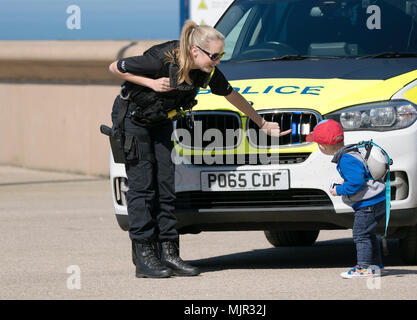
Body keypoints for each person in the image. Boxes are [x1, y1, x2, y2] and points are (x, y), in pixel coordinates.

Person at [108, 20, 291, 278]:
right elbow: (115, 66)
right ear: (195, 51)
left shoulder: (207, 71)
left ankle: (169, 254)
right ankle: (144, 257)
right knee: (143, 187)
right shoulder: (160, 60)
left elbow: (232, 94)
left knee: (165, 185)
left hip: (160, 120)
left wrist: (261, 123)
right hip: (133, 120)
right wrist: (151, 84)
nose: (217, 61)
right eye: (214, 56)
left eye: (221, 56)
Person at [305, 119, 386, 279]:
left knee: (360, 235)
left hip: (368, 204)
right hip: (377, 199)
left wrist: (339, 190)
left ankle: (363, 268)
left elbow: (357, 183)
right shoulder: (351, 152)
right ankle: (375, 266)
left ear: (322, 146)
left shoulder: (346, 159)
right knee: (368, 234)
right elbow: (359, 177)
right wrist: (345, 183)